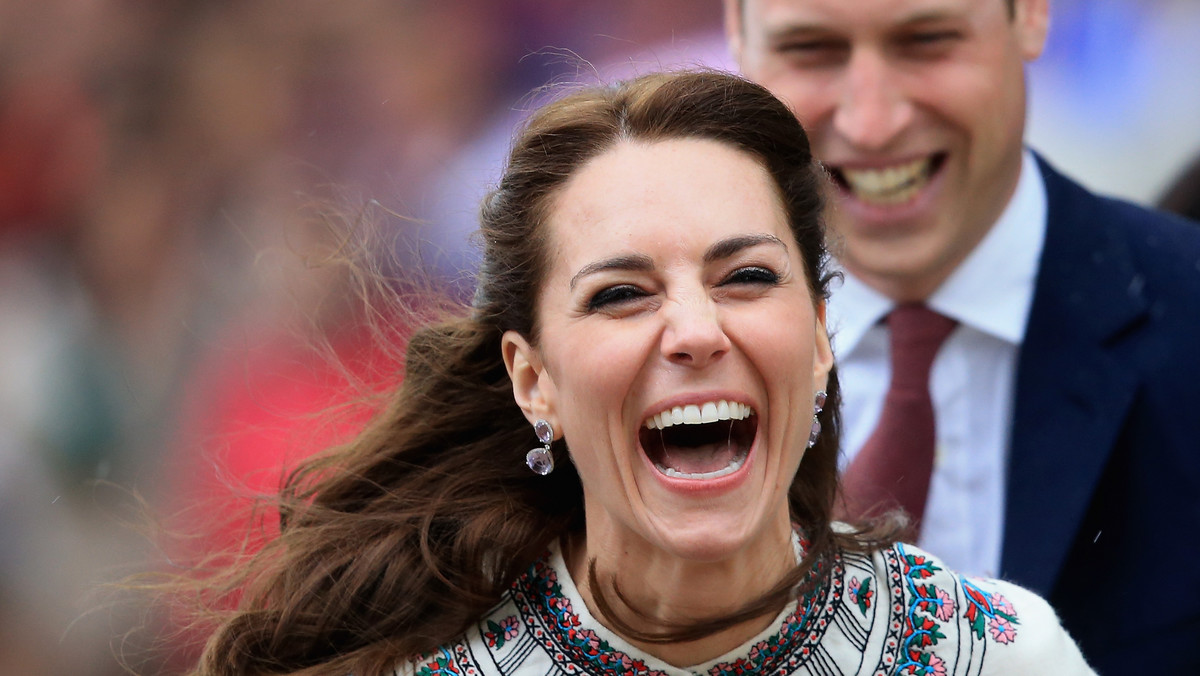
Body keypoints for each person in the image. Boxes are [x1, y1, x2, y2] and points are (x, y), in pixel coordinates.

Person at [183, 71, 1093, 676]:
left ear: (820, 337)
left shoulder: (1000, 655)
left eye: (746, 278)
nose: (694, 330)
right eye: (621, 294)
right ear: (531, 379)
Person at [724, 0, 1200, 673]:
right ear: (736, 37)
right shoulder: (632, 368)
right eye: (812, 50)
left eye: (926, 41)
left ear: (1032, 15)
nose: (871, 121)